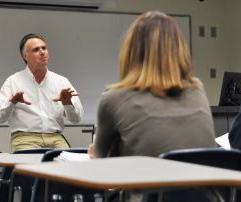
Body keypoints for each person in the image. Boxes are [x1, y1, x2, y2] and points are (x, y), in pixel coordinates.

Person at [88, 11, 216, 159]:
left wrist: (95, 153)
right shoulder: (197, 89)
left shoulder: (114, 98)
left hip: (147, 181)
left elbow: (99, 159)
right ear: (179, 49)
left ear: (130, 52)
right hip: (203, 181)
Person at [0, 33, 83, 151]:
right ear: (25, 56)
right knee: (31, 168)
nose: (42, 52)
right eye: (36, 50)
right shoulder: (13, 81)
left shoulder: (61, 82)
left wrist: (67, 103)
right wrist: (12, 102)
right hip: (25, 137)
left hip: (55, 138)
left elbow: (76, 119)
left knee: (68, 166)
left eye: (44, 48)